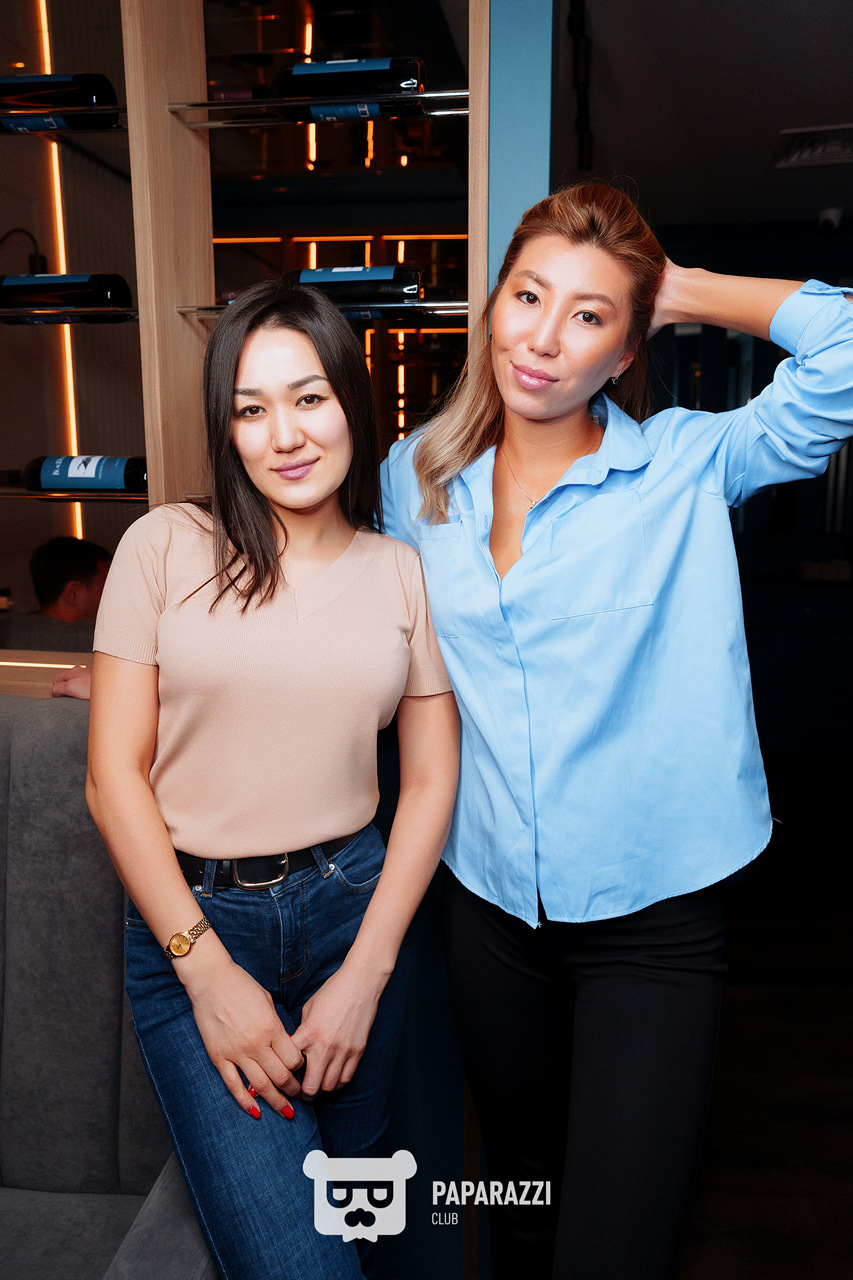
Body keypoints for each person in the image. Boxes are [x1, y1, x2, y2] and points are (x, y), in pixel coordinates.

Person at [380, 182, 853, 1280]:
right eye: (527, 295)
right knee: (521, 1203)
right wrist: (157, 666)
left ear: (627, 347)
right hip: (488, 905)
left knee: (612, 1248)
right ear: (491, 302)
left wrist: (675, 287)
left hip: (651, 917)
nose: (542, 338)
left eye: (588, 315)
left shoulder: (685, 466)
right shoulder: (418, 477)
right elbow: (348, 618)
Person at [86, 278, 458, 1280]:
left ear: (352, 404)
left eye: (309, 398)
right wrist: (205, 969)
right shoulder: (164, 545)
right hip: (195, 920)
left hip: (354, 916)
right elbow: (112, 777)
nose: (285, 434)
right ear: (226, 428)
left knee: (359, 1221)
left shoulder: (399, 570)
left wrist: (366, 973)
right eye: (251, 409)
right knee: (302, 1262)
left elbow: (430, 779)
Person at [29, 534, 111, 619]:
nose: (115, 595)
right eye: (106, 587)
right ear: (73, 593)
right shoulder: (93, 627)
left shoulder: (25, 625)